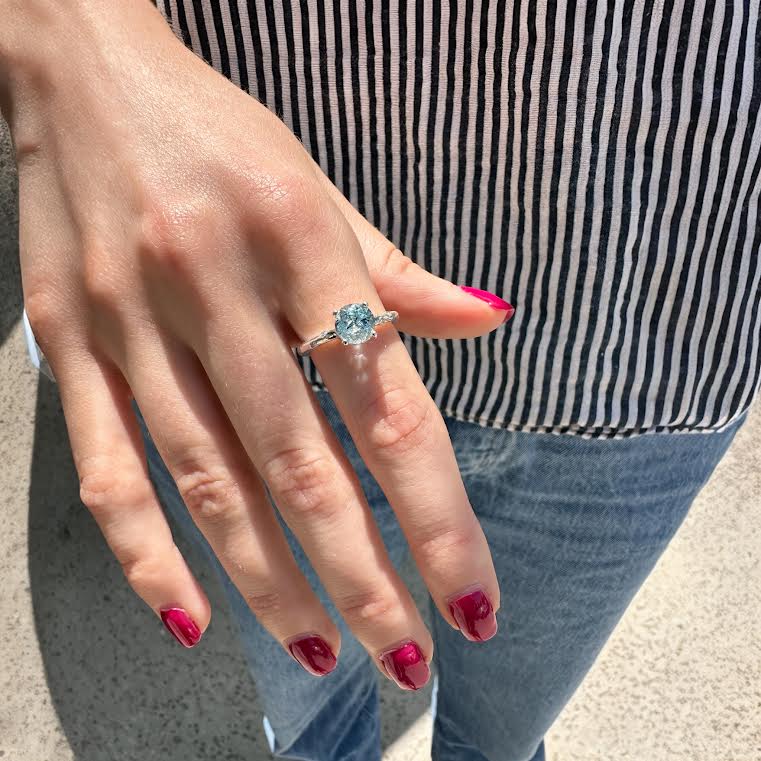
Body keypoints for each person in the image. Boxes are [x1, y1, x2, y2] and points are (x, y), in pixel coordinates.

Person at [2, 0, 758, 759]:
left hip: (662, 320)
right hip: (230, 294)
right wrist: (66, 37)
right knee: (313, 710)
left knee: (501, 733)